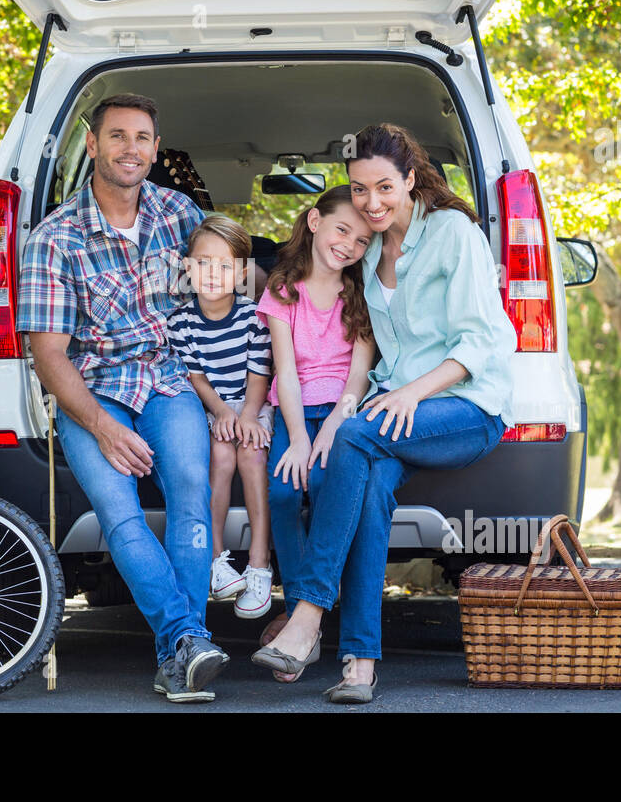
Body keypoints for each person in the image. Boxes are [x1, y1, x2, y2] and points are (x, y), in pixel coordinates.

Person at [253, 123, 517, 703]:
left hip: (465, 405)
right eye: (359, 188)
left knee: (350, 438)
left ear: (411, 179)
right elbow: (366, 347)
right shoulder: (369, 255)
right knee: (368, 486)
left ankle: (306, 614)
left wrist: (409, 394)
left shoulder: (454, 234)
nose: (371, 202)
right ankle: (361, 662)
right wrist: (364, 397)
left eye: (384, 188)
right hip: (394, 409)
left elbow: (482, 342)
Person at [17, 93, 229, 703]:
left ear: (156, 149)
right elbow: (50, 355)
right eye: (117, 136)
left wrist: (294, 275)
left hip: (168, 378)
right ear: (93, 145)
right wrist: (105, 430)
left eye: (141, 138)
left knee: (192, 488)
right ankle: (187, 641)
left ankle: (180, 651)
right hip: (93, 389)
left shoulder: (179, 213)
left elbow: (228, 274)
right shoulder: (55, 238)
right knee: (120, 511)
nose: (130, 149)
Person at [255, 185, 376, 680]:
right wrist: (299, 436)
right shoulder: (282, 289)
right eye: (342, 229)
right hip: (293, 409)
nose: (349, 245)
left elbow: (359, 373)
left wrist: (332, 427)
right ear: (313, 222)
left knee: (328, 492)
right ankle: (300, 613)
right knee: (284, 493)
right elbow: (283, 370)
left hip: (341, 413)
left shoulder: (360, 293)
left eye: (363, 240)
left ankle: (307, 619)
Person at [166, 215, 275, 619]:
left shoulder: (252, 316)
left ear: (243, 273)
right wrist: (222, 413)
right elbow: (195, 377)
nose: (214, 274)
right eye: (203, 263)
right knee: (221, 458)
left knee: (251, 456)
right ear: (187, 268)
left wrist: (246, 415)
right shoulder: (181, 322)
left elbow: (260, 373)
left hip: (252, 403)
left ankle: (260, 565)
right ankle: (216, 563)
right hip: (213, 406)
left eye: (226, 266)